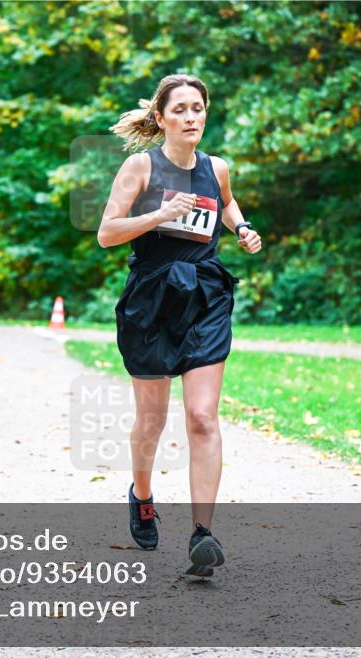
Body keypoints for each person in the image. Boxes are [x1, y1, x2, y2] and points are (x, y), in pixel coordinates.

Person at [97, 74, 262, 576]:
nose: (191, 117)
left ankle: (202, 535)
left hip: (205, 296)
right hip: (151, 299)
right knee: (152, 420)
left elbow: (227, 202)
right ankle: (142, 495)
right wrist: (160, 213)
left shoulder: (217, 168)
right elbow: (107, 233)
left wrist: (244, 227)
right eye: (181, 110)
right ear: (162, 117)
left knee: (203, 417)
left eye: (198, 108)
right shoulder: (141, 166)